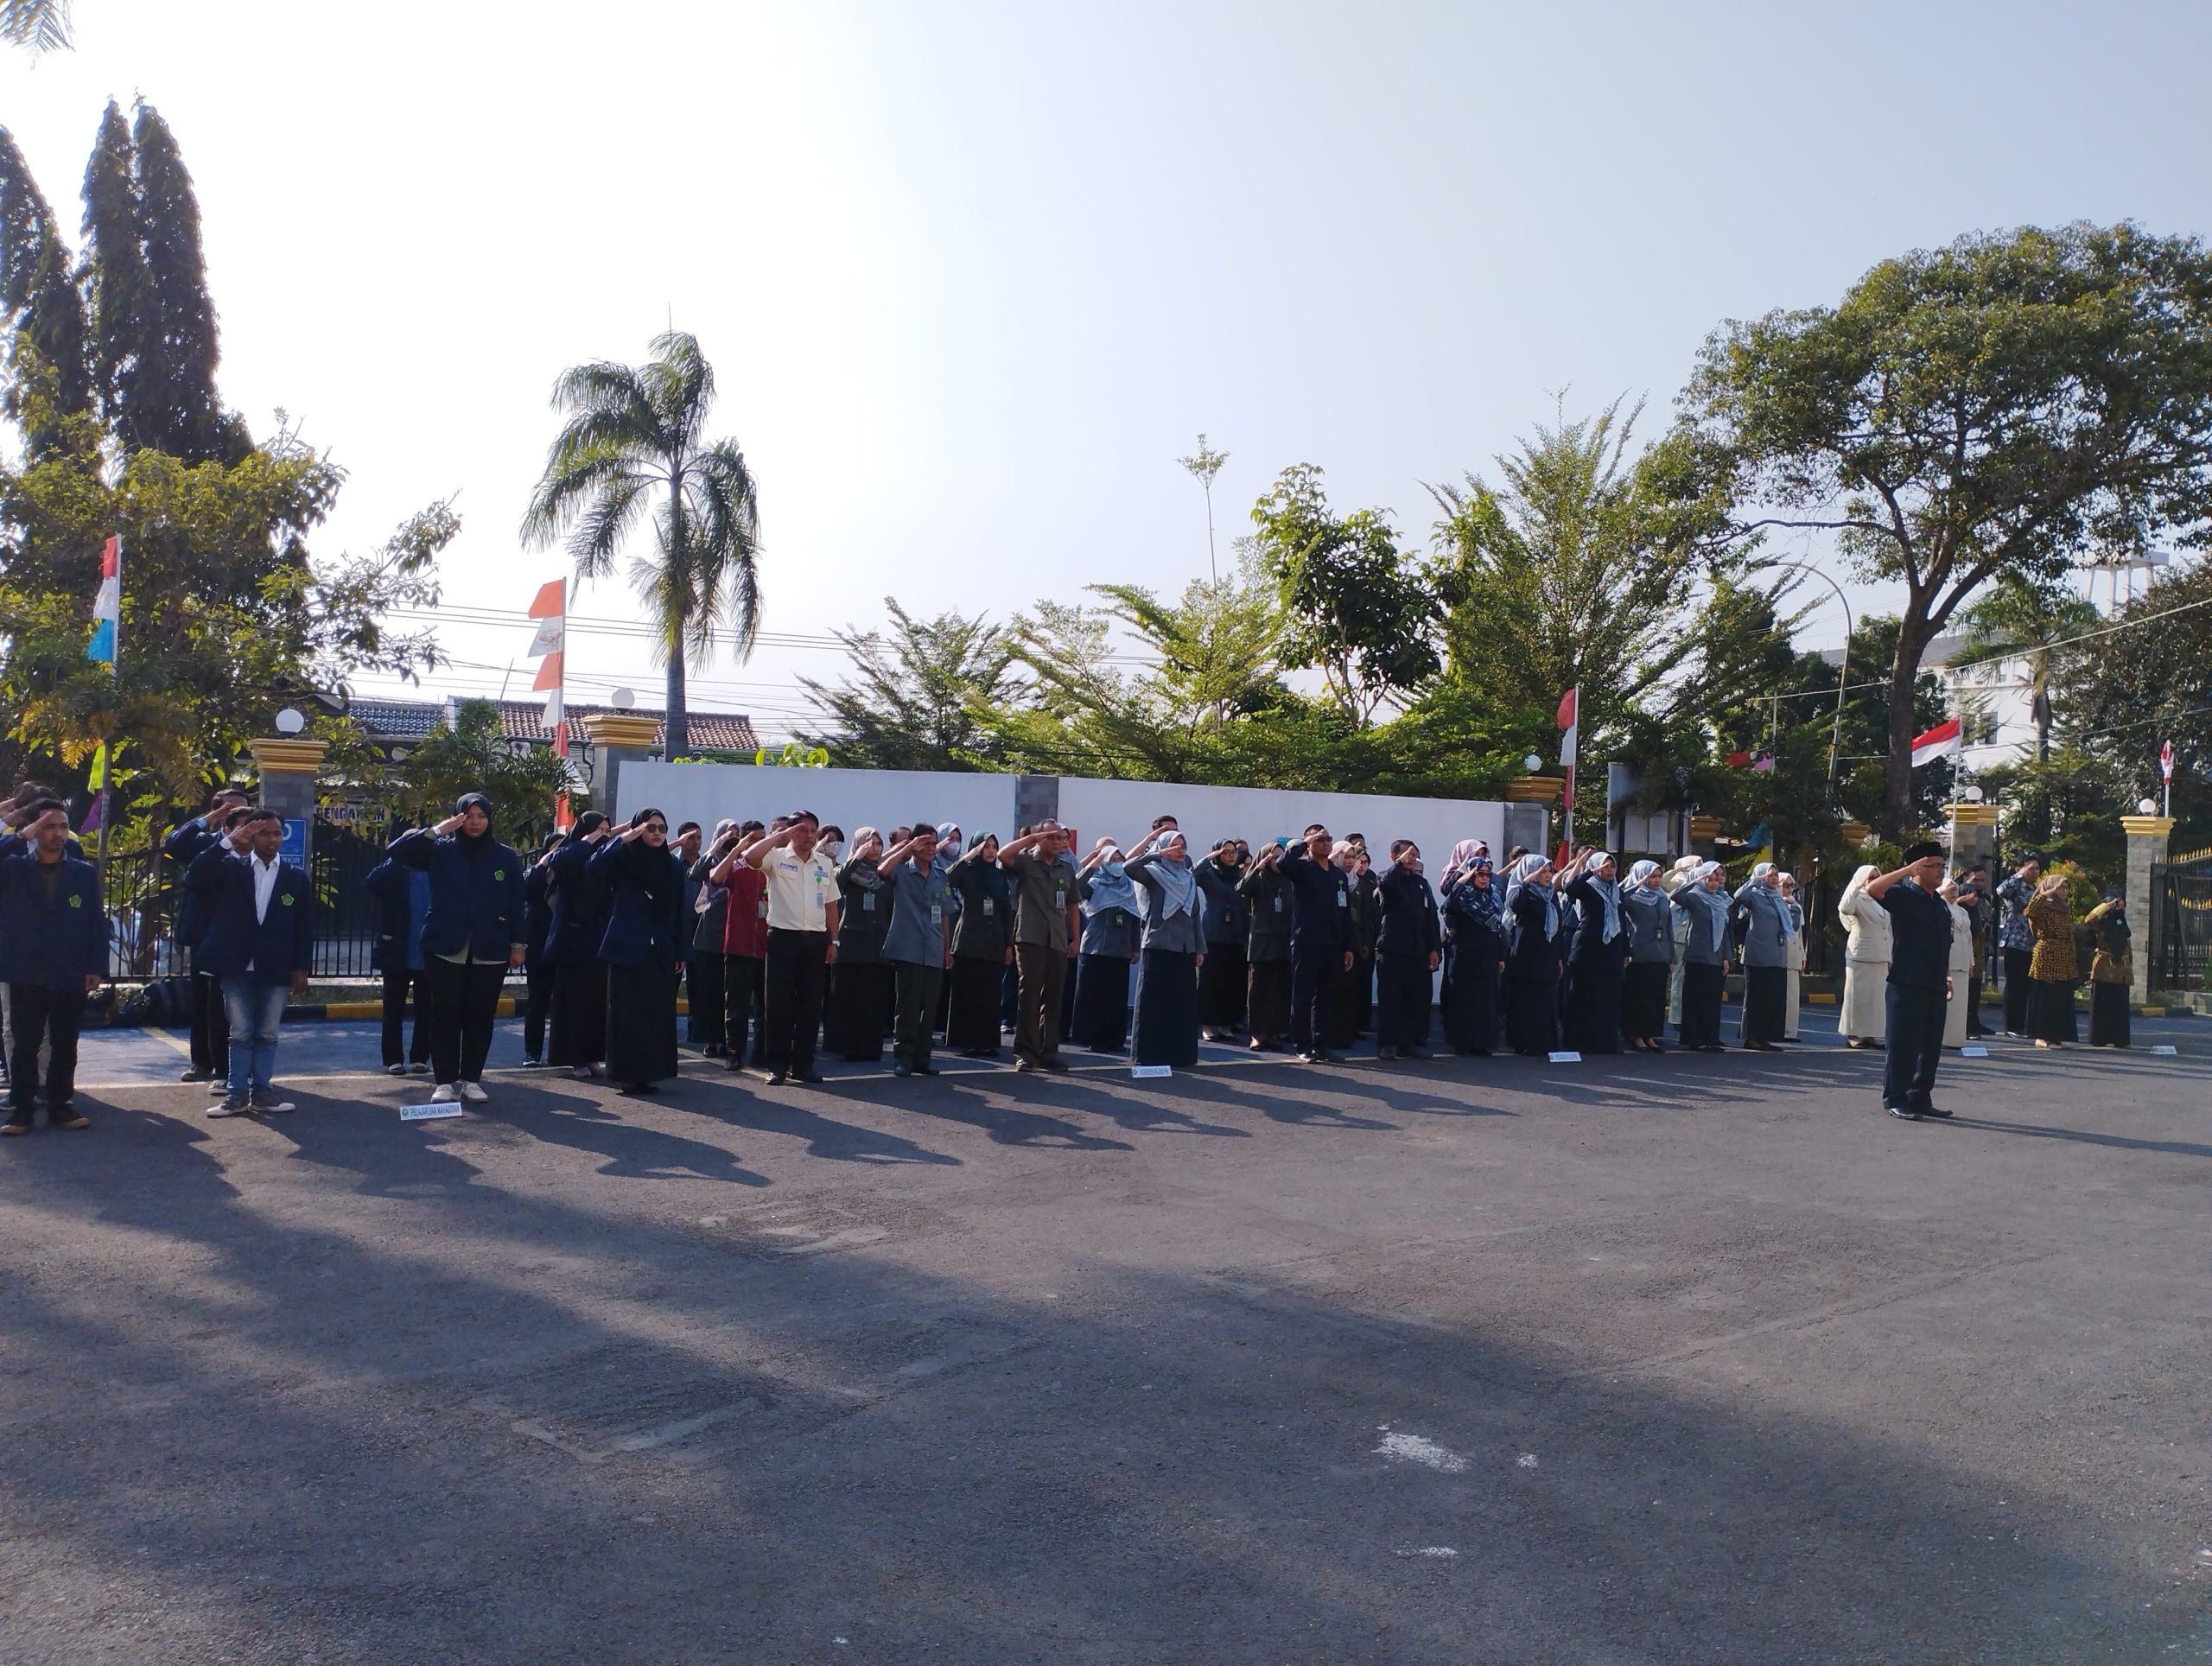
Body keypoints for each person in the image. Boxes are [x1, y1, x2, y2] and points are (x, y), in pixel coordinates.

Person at [388, 794, 526, 1106]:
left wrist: (518, 945)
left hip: (490, 947)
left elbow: (516, 903)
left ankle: (471, 1079)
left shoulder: (504, 857)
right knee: (444, 1014)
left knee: (481, 1016)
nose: (475, 822)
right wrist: (439, 830)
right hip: (444, 946)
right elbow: (397, 852)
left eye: (481, 816)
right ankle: (445, 1081)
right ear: (457, 818)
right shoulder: (440, 850)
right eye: (468, 816)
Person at [187, 808, 314, 1116]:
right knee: (241, 1033)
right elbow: (194, 876)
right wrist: (228, 842)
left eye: (277, 833)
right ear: (251, 835)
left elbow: (304, 926)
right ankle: (236, 1095)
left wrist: (301, 968)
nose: (272, 839)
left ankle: (263, 1093)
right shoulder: (231, 868)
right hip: (237, 965)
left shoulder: (295, 878)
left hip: (276, 967)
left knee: (267, 1033)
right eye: (264, 833)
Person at [0, 800, 107, 1132]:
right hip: (26, 972)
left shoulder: (83, 872)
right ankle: (22, 1109)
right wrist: (21, 834)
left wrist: (95, 966)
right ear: (33, 830)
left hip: (69, 971)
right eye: (49, 826)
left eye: (63, 826)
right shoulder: (14, 868)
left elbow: (96, 921)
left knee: (65, 1044)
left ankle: (61, 1105)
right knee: (25, 1046)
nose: (58, 833)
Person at [589, 807, 689, 1094]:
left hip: (661, 951)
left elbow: (681, 911)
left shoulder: (672, 867)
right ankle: (627, 1074)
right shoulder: (623, 860)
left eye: (662, 829)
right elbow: (593, 866)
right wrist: (623, 839)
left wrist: (682, 951)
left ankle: (650, 1073)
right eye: (650, 828)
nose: (657, 834)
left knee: (655, 1014)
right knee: (627, 1014)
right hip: (628, 947)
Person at [743, 811, 840, 1085]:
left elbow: (831, 905)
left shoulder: (824, 863)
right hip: (783, 939)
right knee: (779, 1005)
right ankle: (777, 1066)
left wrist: (834, 941)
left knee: (810, 1006)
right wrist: (781, 835)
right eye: (802, 830)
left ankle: (803, 1065)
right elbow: (750, 856)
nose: (808, 836)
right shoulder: (777, 857)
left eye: (813, 831)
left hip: (816, 940)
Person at [1861, 843, 1955, 1120]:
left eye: (1942, 866)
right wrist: (1905, 871)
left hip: (1934, 983)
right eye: (1933, 866)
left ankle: (1920, 1096)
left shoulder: (1939, 904)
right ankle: (1895, 1097)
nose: (1940, 871)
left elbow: (1943, 944)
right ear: (1917, 869)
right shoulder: (1904, 895)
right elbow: (1873, 890)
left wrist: (1947, 977)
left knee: (1930, 1047)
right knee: (1903, 1045)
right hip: (1907, 983)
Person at [162, 787, 245, 1086]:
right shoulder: (203, 843)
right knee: (203, 1002)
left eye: (244, 810)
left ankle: (233, 1066)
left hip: (239, 935)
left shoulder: (254, 847)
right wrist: (209, 819)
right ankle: (202, 1062)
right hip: (205, 934)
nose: (241, 817)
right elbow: (173, 844)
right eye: (231, 810)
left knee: (233, 1004)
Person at [997, 821, 1080, 1073]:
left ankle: (1049, 1052)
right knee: (1029, 996)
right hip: (1030, 938)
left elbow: (1073, 906)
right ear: (1040, 837)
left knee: (1053, 997)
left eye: (1062, 838)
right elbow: (1003, 855)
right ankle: (1025, 1054)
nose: (1058, 842)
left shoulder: (1067, 869)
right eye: (1051, 837)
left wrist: (1075, 939)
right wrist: (1032, 839)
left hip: (1057, 939)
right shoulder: (1025, 862)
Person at [1270, 825, 1354, 1065]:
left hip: (1332, 943)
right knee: (1303, 995)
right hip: (1307, 941)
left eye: (1328, 839)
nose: (1326, 843)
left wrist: (1348, 946)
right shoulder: (1302, 868)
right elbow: (1283, 863)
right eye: (1320, 839)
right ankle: (1303, 1045)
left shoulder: (1338, 875)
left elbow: (1344, 912)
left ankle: (1322, 1044)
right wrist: (1303, 843)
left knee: (1326, 996)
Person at [1124, 823, 1205, 1069]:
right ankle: (1149, 1053)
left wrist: (1199, 948)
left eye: (1183, 846)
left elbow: (1195, 915)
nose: (1179, 850)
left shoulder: (1188, 877)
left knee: (1182, 1003)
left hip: (1185, 947)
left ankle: (1180, 1054)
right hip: (1158, 943)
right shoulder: (1153, 873)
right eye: (1174, 846)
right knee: (1153, 1002)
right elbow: (1129, 867)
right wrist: (1157, 853)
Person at [880, 823, 953, 1077]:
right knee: (907, 1007)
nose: (932, 848)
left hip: (933, 946)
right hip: (907, 947)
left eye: (934, 843)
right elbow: (882, 870)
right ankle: (903, 1057)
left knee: (929, 1007)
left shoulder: (940, 875)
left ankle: (923, 1058)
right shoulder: (902, 871)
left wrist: (947, 949)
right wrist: (907, 848)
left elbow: (945, 914)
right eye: (926, 843)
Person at [545, 812, 613, 1078]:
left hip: (598, 940)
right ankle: (575, 1058)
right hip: (573, 943)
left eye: (607, 830)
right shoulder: (571, 853)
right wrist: (586, 842)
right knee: (574, 1004)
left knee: (596, 1003)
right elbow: (557, 861)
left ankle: (592, 1055)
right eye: (598, 830)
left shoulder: (605, 857)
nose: (602, 835)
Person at [362, 838, 433, 1076]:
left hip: (428, 951)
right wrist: (397, 857)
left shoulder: (435, 871)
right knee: (393, 1008)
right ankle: (393, 1059)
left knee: (427, 1009)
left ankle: (420, 1057)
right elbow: (371, 883)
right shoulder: (394, 872)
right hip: (397, 951)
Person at [827, 827, 892, 1062]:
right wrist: (856, 858)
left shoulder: (883, 873)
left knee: (873, 999)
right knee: (849, 997)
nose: (874, 848)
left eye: (878, 843)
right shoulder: (847, 871)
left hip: (877, 944)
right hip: (852, 944)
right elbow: (836, 882)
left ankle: (870, 1047)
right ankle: (846, 1047)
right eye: (869, 843)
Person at [1071, 839, 1142, 1052]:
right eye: (1112, 860)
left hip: (1120, 950)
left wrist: (1135, 947)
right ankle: (1092, 1038)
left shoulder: (1128, 886)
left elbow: (1135, 919)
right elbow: (1075, 888)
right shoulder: (1095, 883)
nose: (1117, 864)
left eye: (1120, 860)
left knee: (1116, 998)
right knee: (1094, 996)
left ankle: (1114, 1039)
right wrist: (1091, 867)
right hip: (1096, 948)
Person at [1373, 840, 1440, 1060]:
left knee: (1413, 999)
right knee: (1390, 998)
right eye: (1408, 855)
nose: (1413, 859)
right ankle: (1387, 1043)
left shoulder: (1420, 883)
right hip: (1392, 948)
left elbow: (1430, 918)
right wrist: (1399, 865)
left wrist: (1433, 948)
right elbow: (1385, 883)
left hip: (1417, 950)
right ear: (1394, 857)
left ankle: (1407, 1043)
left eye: (1415, 855)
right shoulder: (1388, 877)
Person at [945, 831, 1010, 1059]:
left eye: (994, 846)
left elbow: (1005, 911)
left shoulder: (1000, 876)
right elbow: (947, 879)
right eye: (985, 847)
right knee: (969, 992)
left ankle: (987, 1043)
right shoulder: (968, 871)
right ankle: (968, 1042)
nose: (991, 851)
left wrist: (1008, 944)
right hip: (969, 940)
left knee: (990, 994)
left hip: (994, 940)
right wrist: (967, 858)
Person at [712, 818, 770, 1072]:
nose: (758, 844)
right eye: (752, 839)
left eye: (762, 839)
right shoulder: (736, 865)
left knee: (766, 1005)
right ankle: (734, 1052)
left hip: (768, 946)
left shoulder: (772, 866)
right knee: (737, 1004)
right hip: (739, 944)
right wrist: (737, 849)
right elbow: (716, 878)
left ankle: (762, 1053)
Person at [1560, 850, 1629, 1054]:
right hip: (1588, 948)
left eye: (1612, 866)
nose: (1609, 870)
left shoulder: (1617, 891)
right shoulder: (1588, 887)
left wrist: (1626, 950)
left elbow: (1621, 921)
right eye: (1605, 866)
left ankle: (1605, 1041)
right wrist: (1588, 869)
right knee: (1586, 995)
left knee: (1608, 997)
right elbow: (1570, 888)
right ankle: (1582, 1041)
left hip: (1611, 949)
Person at [1440, 848, 1506, 1056]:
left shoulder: (1492, 897)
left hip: (1488, 955)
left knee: (1485, 1001)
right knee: (1465, 1000)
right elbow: (1449, 904)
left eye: (1487, 874)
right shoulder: (1462, 897)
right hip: (1465, 956)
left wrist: (1501, 956)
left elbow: (1498, 928)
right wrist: (1464, 878)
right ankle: (1463, 1043)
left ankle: (1482, 1043)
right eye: (1480, 874)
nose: (1485, 878)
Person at [1502, 854, 1565, 1055]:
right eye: (1542, 871)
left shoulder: (1550, 894)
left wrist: (1559, 956)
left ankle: (1544, 1042)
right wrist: (1527, 882)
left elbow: (1558, 926)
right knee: (1527, 998)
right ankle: (1524, 1041)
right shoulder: (1524, 891)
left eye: (1549, 871)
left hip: (1548, 953)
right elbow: (1515, 906)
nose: (1547, 875)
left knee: (1546, 999)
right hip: (1527, 953)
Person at [686, 821, 740, 1057]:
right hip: (709, 935)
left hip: (735, 933)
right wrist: (715, 847)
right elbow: (694, 874)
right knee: (709, 992)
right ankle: (710, 1040)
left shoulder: (741, 859)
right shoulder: (711, 859)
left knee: (730, 993)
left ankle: (728, 1040)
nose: (731, 837)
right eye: (727, 834)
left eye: (736, 834)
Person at [1669, 861, 1732, 1053]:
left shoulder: (1721, 901)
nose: (1714, 883)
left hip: (1716, 956)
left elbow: (1724, 932)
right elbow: (1676, 895)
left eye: (1716, 880)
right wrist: (1695, 880)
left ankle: (1710, 1038)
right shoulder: (1696, 897)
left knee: (1712, 1000)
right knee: (1697, 998)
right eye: (1709, 879)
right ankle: (1695, 1039)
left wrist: (1726, 957)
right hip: (1697, 955)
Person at [1732, 862, 1794, 1052]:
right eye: (1770, 875)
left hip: (1777, 954)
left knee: (1772, 999)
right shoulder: (1755, 895)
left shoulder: (1778, 898)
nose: (1774, 878)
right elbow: (1738, 896)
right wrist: (1755, 880)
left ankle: (1765, 1037)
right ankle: (1752, 1037)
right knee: (1755, 999)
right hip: (1758, 955)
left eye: (1776, 875)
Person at [1192, 839, 1250, 1042]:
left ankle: (1227, 1025)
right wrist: (1209, 859)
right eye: (1225, 852)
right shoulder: (1209, 874)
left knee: (1233, 981)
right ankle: (1207, 1025)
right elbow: (1192, 875)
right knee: (1210, 981)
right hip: (1214, 934)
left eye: (1233, 852)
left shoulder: (1239, 876)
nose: (1231, 856)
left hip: (1236, 933)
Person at [1237, 844, 1292, 1051]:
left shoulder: (1288, 880)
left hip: (1283, 942)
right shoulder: (1259, 878)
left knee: (1279, 991)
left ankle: (1273, 1033)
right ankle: (1257, 1035)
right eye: (1273, 857)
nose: (1277, 862)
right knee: (1259, 991)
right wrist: (1257, 867)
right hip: (1262, 944)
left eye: (1280, 857)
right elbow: (1241, 888)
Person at [1618, 860, 1674, 1054]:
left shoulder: (1662, 897)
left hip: (1660, 953)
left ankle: (1650, 1035)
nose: (1657, 880)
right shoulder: (1632, 897)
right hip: (1639, 952)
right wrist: (1635, 883)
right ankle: (1636, 1036)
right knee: (1639, 997)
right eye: (1652, 876)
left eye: (1659, 876)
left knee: (1656, 998)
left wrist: (1671, 957)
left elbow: (1668, 927)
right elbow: (1618, 897)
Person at [1836, 863, 1891, 1049]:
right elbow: (1845, 909)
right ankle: (1853, 1034)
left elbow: (1887, 929)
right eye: (1870, 877)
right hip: (1861, 954)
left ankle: (1871, 1034)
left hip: (1880, 954)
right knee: (1857, 996)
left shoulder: (1881, 899)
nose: (1874, 880)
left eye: (1877, 877)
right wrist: (1857, 887)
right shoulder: (1857, 897)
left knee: (1876, 998)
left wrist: (1889, 956)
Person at [520, 831, 563, 1065]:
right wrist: (545, 862)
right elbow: (526, 890)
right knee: (537, 1000)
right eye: (555, 848)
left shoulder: (571, 873)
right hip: (539, 946)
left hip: (564, 946)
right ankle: (532, 1052)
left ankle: (562, 1052)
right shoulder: (535, 873)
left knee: (565, 1002)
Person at [2024, 874, 2079, 1048]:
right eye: (2060, 887)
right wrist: (2045, 894)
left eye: (2066, 888)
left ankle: (2056, 1035)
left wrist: (2072, 956)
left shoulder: (2063, 907)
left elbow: (2068, 933)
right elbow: (2029, 911)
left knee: (2059, 997)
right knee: (2045, 997)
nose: (2064, 891)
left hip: (2062, 955)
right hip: (2046, 954)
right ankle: (2042, 1036)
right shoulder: (2044, 905)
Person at [1994, 856, 2042, 1036]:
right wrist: (2019, 875)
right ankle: (2011, 1026)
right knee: (2014, 985)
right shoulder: (2016, 885)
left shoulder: (2036, 889)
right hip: (2015, 941)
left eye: (2037, 869)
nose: (2035, 872)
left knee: (2026, 987)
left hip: (2031, 943)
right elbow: (2001, 890)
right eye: (2031, 868)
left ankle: (2022, 1025)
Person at [2083, 888, 2132, 1047]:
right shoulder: (2102, 922)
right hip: (2104, 968)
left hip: (2121, 970)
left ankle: (2119, 1039)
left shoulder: (2122, 922)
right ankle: (2100, 1038)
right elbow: (2089, 919)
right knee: (2102, 1005)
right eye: (2117, 902)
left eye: (2122, 901)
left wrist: (2129, 970)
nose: (2120, 904)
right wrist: (2107, 906)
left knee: (2120, 1006)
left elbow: (2126, 944)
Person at [1938, 879, 1977, 1049]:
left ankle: (1956, 1039)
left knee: (1960, 1004)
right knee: (1947, 1002)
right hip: (1948, 959)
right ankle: (1942, 1038)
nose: (1954, 892)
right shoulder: (1940, 907)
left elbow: (1968, 937)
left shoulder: (1962, 911)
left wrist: (1971, 962)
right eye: (1950, 889)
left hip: (1962, 960)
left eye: (1955, 889)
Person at [1955, 865, 1993, 1037]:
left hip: (1979, 946)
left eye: (1982, 881)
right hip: (1964, 947)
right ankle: (1964, 1024)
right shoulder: (1959, 898)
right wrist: (1963, 898)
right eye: (1975, 880)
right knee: (1966, 987)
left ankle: (1973, 1021)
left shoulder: (1985, 899)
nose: (1978, 885)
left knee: (1976, 985)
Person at [1778, 873, 1807, 1042]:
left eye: (1791, 885)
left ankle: (1790, 1032)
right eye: (1785, 885)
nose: (1789, 889)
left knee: (1792, 998)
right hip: (1780, 956)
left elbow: (1799, 934)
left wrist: (1802, 956)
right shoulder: (1776, 904)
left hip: (1794, 957)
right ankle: (1778, 1031)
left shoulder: (1796, 906)